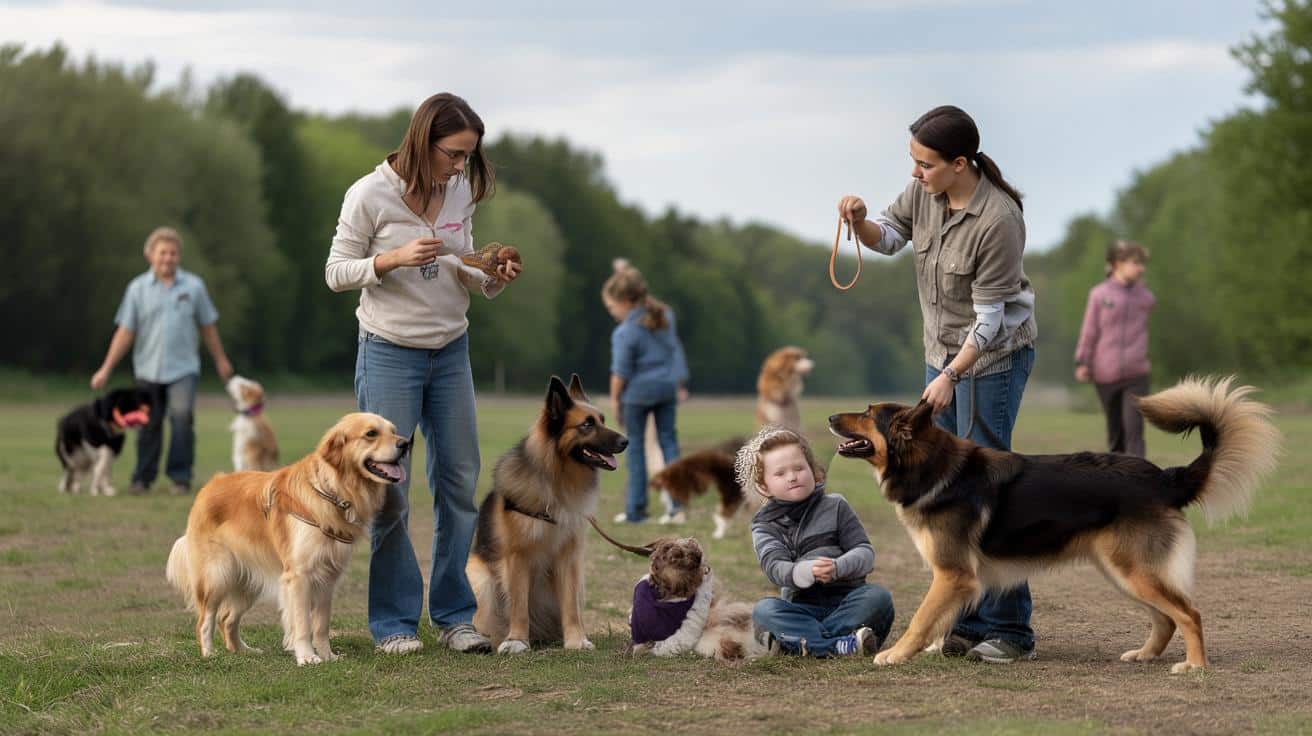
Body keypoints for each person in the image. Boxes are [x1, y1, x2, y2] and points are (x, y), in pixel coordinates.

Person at [836, 104, 1038, 663]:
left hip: (990, 360)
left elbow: (990, 322)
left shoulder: (999, 220)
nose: (915, 173)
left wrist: (952, 374)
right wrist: (859, 221)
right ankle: (963, 621)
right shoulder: (924, 192)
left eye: (924, 164)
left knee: (987, 483)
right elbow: (888, 238)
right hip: (941, 355)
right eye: (913, 161)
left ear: (959, 163)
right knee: (947, 486)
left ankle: (1010, 630)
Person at [325, 92, 522, 655]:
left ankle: (456, 617)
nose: (459, 167)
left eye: (467, 157)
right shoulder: (369, 194)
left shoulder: (458, 190)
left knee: (459, 484)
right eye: (452, 154)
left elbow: (461, 261)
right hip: (389, 352)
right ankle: (393, 624)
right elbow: (336, 271)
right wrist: (391, 259)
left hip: (451, 351)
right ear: (423, 141)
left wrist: (493, 276)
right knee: (390, 491)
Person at [91, 226, 234, 495]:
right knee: (147, 423)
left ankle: (180, 478)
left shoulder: (194, 287)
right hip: (148, 369)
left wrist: (221, 360)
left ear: (179, 256)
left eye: (173, 253)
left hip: (183, 369)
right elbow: (125, 332)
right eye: (163, 253)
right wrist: (106, 368)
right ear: (150, 255)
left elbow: (208, 327)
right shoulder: (137, 289)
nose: (168, 258)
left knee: (181, 418)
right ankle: (142, 478)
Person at [740, 426, 895, 657]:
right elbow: (775, 568)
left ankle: (799, 643)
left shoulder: (836, 506)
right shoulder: (764, 525)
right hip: (801, 608)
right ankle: (840, 645)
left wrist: (837, 567)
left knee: (878, 598)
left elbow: (865, 553)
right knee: (765, 610)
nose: (792, 477)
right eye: (780, 474)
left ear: (813, 471)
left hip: (847, 602)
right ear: (764, 486)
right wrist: (805, 571)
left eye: (799, 468)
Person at [603, 259, 690, 524]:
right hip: (666, 389)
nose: (611, 312)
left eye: (611, 306)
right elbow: (674, 349)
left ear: (624, 302)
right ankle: (677, 507)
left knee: (636, 448)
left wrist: (615, 401)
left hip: (637, 394)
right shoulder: (665, 318)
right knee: (669, 444)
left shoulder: (625, 332)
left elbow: (620, 374)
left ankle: (636, 510)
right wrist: (626, 275)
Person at [1075, 240, 1155, 457]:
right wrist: (1083, 361)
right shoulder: (1099, 294)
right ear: (1118, 263)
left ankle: (1138, 474)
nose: (1141, 268)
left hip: (1136, 374)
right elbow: (1089, 330)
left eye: (1142, 264)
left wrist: (1138, 288)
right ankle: (1118, 474)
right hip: (1105, 374)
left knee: (1134, 432)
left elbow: (1150, 303)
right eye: (1135, 263)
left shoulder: (1144, 296)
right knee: (1116, 435)